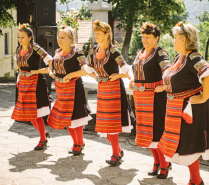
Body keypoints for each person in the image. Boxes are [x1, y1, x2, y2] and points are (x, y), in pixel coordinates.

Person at [157, 22, 209, 185]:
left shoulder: (194, 58)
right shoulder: (180, 58)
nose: (173, 41)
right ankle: (196, 181)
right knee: (186, 145)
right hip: (176, 109)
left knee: (189, 145)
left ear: (184, 40)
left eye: (176, 38)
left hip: (189, 111)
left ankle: (196, 181)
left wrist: (204, 97)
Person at [89, 20, 135, 166]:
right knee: (104, 125)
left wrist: (119, 76)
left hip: (114, 89)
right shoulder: (95, 51)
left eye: (98, 33)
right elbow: (88, 67)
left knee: (112, 125)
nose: (96, 35)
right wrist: (95, 76)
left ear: (106, 34)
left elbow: (126, 68)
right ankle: (118, 150)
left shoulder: (113, 50)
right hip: (102, 90)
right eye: (95, 33)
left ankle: (115, 153)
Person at [129, 23, 172, 179]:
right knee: (146, 132)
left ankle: (165, 164)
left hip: (156, 98)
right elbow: (135, 71)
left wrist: (165, 85)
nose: (144, 40)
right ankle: (156, 162)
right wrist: (132, 80)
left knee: (158, 131)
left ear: (157, 38)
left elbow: (167, 69)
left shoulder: (160, 53)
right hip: (140, 99)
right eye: (143, 37)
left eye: (148, 37)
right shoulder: (139, 52)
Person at [47, 25, 94, 155]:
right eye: (58, 37)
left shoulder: (77, 52)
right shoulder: (57, 52)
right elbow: (52, 66)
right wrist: (52, 72)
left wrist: (70, 75)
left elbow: (87, 69)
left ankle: (80, 143)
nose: (59, 39)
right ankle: (75, 143)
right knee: (66, 118)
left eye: (63, 37)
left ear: (70, 39)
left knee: (75, 118)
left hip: (74, 89)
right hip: (61, 89)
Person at [12, 23, 53, 150]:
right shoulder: (18, 49)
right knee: (28, 114)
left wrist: (40, 71)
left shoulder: (35, 48)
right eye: (19, 37)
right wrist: (19, 78)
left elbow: (50, 60)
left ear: (30, 37)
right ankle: (43, 135)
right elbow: (18, 64)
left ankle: (42, 139)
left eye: (23, 37)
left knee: (36, 114)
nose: (20, 39)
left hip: (36, 83)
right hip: (24, 82)